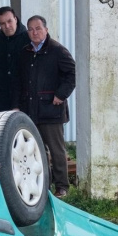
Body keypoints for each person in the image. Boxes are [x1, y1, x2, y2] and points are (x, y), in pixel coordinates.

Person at [15, 15, 76, 198]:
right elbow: (18, 81)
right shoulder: (24, 52)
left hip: (51, 110)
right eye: (31, 29)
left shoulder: (57, 51)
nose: (34, 32)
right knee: (36, 151)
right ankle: (42, 187)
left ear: (46, 29)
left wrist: (60, 94)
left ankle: (62, 187)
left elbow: (72, 74)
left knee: (56, 151)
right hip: (30, 111)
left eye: (38, 28)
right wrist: (16, 105)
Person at [0, 6, 28, 113]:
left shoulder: (29, 39)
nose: (7, 26)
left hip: (26, 99)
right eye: (2, 23)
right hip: (2, 99)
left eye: (9, 21)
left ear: (15, 19)